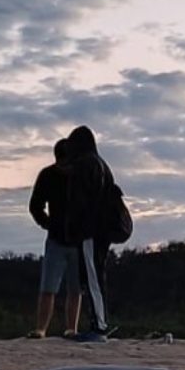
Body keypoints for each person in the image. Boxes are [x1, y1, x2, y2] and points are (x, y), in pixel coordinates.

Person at [65, 125, 117, 342]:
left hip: (90, 230)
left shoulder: (85, 165)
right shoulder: (102, 164)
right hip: (102, 230)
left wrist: (75, 227)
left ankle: (98, 326)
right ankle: (99, 322)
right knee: (96, 274)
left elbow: (79, 202)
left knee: (93, 277)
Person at [27, 138, 82, 339]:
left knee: (76, 288)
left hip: (79, 239)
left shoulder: (82, 174)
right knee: (48, 286)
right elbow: (35, 206)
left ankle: (71, 328)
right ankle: (41, 328)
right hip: (56, 238)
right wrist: (48, 224)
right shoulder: (48, 175)